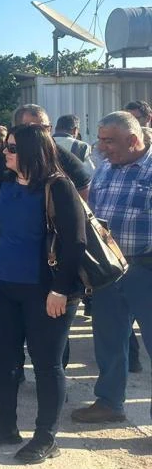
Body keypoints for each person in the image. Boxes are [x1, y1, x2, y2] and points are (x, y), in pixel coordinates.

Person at [0, 124, 85, 463]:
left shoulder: (59, 188)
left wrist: (60, 290)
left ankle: (46, 436)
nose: (4, 152)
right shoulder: (6, 183)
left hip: (45, 292)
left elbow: (75, 244)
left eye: (10, 147)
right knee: (3, 361)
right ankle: (6, 425)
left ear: (31, 152)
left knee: (47, 365)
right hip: (4, 286)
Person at [72, 111, 152, 425]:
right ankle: (109, 402)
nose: (102, 147)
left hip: (146, 269)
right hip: (107, 271)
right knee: (108, 339)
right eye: (101, 140)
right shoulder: (104, 168)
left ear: (134, 140)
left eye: (110, 141)